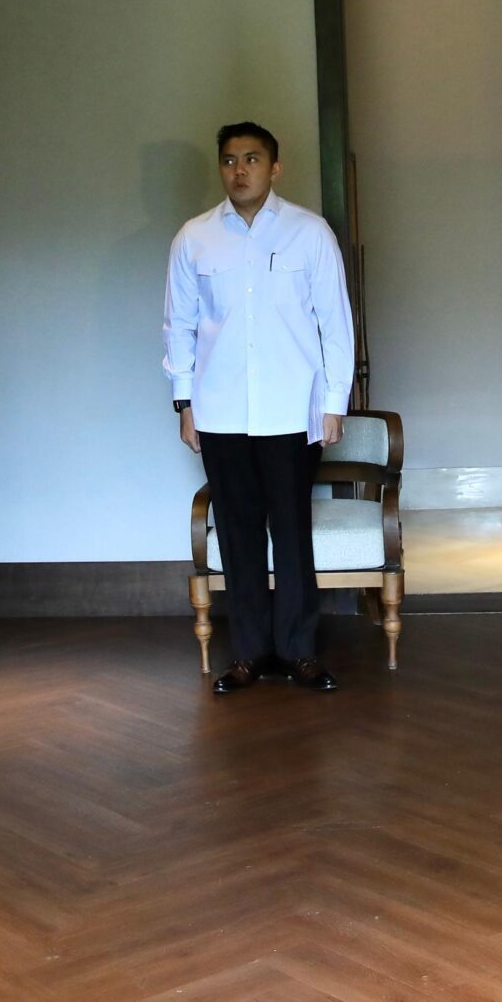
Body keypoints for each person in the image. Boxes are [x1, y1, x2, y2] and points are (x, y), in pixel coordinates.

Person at [163, 122, 355, 695]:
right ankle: (248, 654)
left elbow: (334, 322)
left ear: (275, 168)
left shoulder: (309, 233)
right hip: (220, 412)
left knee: (291, 532)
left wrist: (334, 403)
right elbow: (179, 325)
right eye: (229, 160)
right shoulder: (194, 238)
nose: (239, 170)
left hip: (292, 411)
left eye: (251, 159)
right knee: (238, 534)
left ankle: (299, 652)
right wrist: (184, 403)